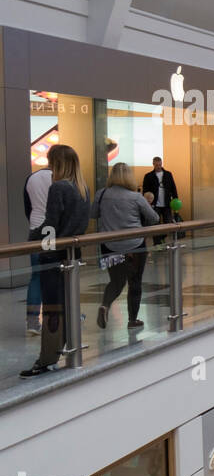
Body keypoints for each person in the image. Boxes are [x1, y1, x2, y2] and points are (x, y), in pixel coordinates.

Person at [21, 145, 90, 378]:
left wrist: (33, 238)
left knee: (52, 308)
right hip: (72, 254)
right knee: (68, 304)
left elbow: (50, 225)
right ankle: (70, 348)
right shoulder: (83, 187)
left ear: (56, 163)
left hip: (54, 255)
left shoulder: (58, 188)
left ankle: (47, 358)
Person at [91, 163, 160, 331]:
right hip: (134, 246)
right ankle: (133, 320)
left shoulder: (101, 194)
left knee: (116, 281)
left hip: (109, 246)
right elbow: (154, 218)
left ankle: (105, 305)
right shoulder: (136, 197)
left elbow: (93, 214)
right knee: (134, 282)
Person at [23, 161, 53, 334]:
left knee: (36, 275)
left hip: (35, 229)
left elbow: (28, 207)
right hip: (53, 232)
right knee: (58, 274)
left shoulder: (31, 178)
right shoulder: (60, 179)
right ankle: (64, 314)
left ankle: (33, 321)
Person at [141, 155, 179, 246]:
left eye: (160, 164)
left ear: (162, 164)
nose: (158, 166)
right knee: (155, 225)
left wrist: (175, 199)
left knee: (168, 224)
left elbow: (173, 188)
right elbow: (145, 190)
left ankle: (162, 237)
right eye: (156, 165)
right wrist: (147, 202)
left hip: (166, 204)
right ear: (153, 164)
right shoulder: (148, 176)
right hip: (155, 205)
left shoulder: (168, 174)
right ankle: (157, 244)